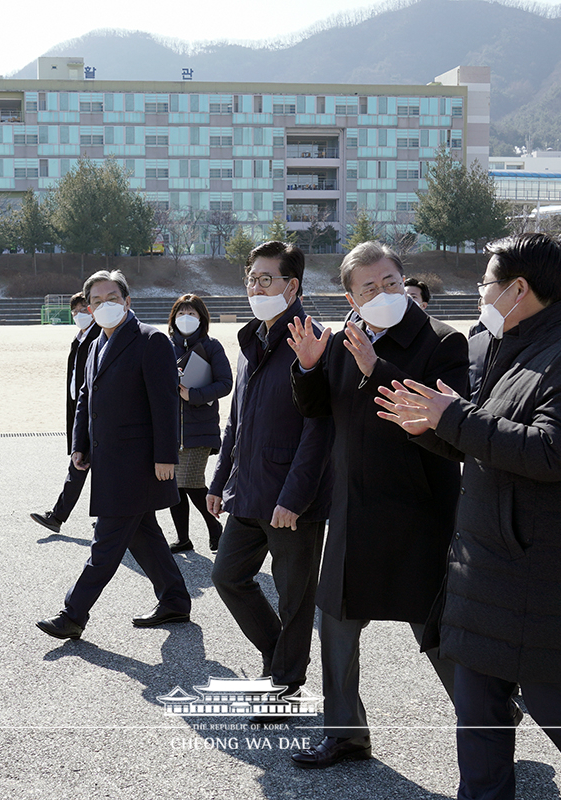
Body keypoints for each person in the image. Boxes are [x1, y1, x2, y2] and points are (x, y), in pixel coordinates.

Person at [375, 232, 561, 800]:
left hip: (537, 569)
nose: (481, 295)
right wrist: (430, 429)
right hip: (490, 567)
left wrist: (451, 418)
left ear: (519, 289)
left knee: (559, 705)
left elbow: (552, 452)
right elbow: (487, 437)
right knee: (479, 717)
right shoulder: (519, 346)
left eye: (486, 285)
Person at [286, 240, 468, 769]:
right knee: (336, 620)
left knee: (435, 627)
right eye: (369, 287)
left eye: (390, 282)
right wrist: (308, 367)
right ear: (350, 296)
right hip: (354, 505)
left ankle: (490, 716)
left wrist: (377, 369)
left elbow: (451, 432)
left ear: (403, 279)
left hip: (421, 509)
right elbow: (319, 411)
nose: (383, 293)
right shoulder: (343, 339)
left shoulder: (443, 341)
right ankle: (345, 734)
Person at [209, 241, 334, 724]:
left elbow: (319, 429)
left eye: (266, 279)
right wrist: (219, 480)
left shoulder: (311, 340)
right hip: (249, 490)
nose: (255, 287)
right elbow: (235, 421)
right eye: (251, 278)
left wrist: (295, 498)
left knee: (295, 596)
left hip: (291, 501)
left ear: (292, 285)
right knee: (227, 576)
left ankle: (284, 683)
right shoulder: (252, 339)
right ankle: (280, 656)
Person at [35, 270, 192, 640]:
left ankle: (74, 614)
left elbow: (166, 404)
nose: (105, 305)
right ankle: (175, 600)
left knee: (105, 543)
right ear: (89, 307)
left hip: (138, 461)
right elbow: (86, 400)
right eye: (98, 300)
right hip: (107, 459)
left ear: (128, 301)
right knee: (142, 534)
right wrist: (80, 446)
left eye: (112, 298)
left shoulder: (150, 340)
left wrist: (166, 456)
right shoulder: (93, 345)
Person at [166, 294, 232, 553]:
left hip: (200, 428)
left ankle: (215, 527)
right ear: (173, 318)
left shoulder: (211, 346)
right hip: (171, 429)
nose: (186, 318)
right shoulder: (165, 345)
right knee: (174, 485)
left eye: (192, 314)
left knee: (191, 482)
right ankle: (183, 538)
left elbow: (226, 383)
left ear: (202, 318)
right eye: (181, 313)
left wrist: (192, 395)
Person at [30, 293, 100, 533]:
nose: (79, 315)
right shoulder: (80, 337)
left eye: (83, 309)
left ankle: (59, 517)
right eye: (75, 312)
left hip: (95, 411)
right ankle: (60, 516)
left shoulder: (99, 336)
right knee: (81, 462)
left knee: (84, 465)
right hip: (78, 407)